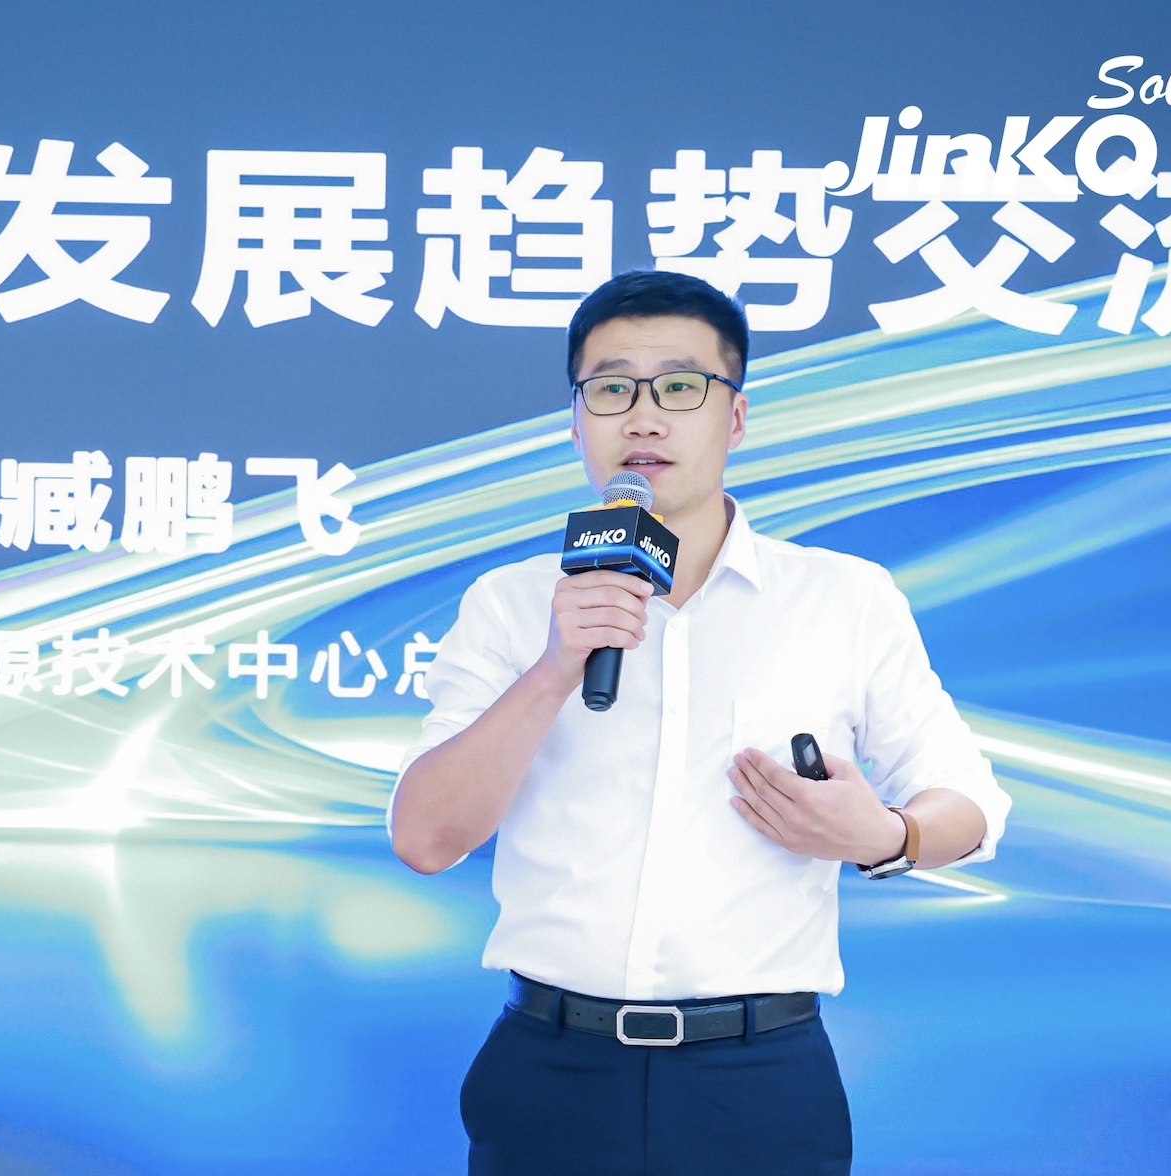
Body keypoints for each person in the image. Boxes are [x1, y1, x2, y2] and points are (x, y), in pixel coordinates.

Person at [388, 270, 1011, 1176]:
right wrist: (556, 667)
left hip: (759, 1079)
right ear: (576, 422)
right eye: (612, 390)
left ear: (737, 417)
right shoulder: (511, 603)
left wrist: (882, 836)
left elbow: (971, 806)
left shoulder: (844, 598)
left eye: (680, 387)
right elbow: (424, 837)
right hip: (553, 1072)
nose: (644, 419)